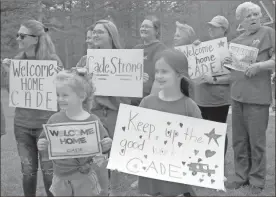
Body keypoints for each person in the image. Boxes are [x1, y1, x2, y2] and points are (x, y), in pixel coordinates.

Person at [0, 19, 64, 196]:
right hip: (22, 126)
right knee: (28, 173)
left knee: (49, 173)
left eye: (22, 35)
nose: (18, 38)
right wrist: (8, 72)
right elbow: (15, 92)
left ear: (35, 39)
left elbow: (63, 92)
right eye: (17, 35)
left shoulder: (52, 60)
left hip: (47, 125)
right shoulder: (18, 60)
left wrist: (61, 77)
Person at [223, 2, 275, 194]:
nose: (253, 18)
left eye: (256, 14)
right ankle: (240, 176)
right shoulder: (235, 41)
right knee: (239, 141)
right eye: (248, 16)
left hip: (257, 98)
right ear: (240, 20)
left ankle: (257, 180)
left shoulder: (268, 33)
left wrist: (259, 66)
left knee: (256, 141)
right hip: (237, 97)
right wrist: (227, 62)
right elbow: (231, 68)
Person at [75, 19, 132, 196]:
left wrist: (138, 80)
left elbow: (132, 94)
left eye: (100, 32)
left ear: (111, 35)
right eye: (95, 32)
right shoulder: (86, 60)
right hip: (94, 115)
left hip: (118, 115)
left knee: (118, 166)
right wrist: (78, 77)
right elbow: (76, 91)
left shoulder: (126, 59)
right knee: (95, 164)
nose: (95, 35)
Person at [37, 68, 112, 196]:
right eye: (58, 95)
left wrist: (107, 144)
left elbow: (104, 148)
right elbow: (45, 143)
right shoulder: (54, 119)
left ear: (81, 96)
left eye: (65, 95)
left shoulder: (93, 121)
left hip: (85, 179)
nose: (60, 99)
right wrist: (41, 144)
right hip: (60, 179)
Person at [138, 49, 201, 197]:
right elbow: (135, 137)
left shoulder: (189, 106)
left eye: (164, 72)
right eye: (157, 71)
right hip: (151, 176)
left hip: (178, 178)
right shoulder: (147, 103)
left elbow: (200, 143)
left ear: (179, 74)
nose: (159, 76)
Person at [193, 16, 231, 157]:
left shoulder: (230, 48)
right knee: (201, 133)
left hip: (218, 100)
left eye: (214, 27)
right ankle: (205, 161)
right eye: (210, 26)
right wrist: (193, 49)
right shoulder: (204, 47)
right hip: (200, 99)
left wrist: (214, 79)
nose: (210, 29)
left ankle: (218, 164)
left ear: (224, 29)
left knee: (217, 133)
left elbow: (233, 77)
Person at [131, 15, 167, 106]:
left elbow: (163, 77)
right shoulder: (136, 49)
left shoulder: (161, 49)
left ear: (156, 31)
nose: (143, 29)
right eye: (142, 26)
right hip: (130, 100)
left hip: (150, 102)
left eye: (147, 26)